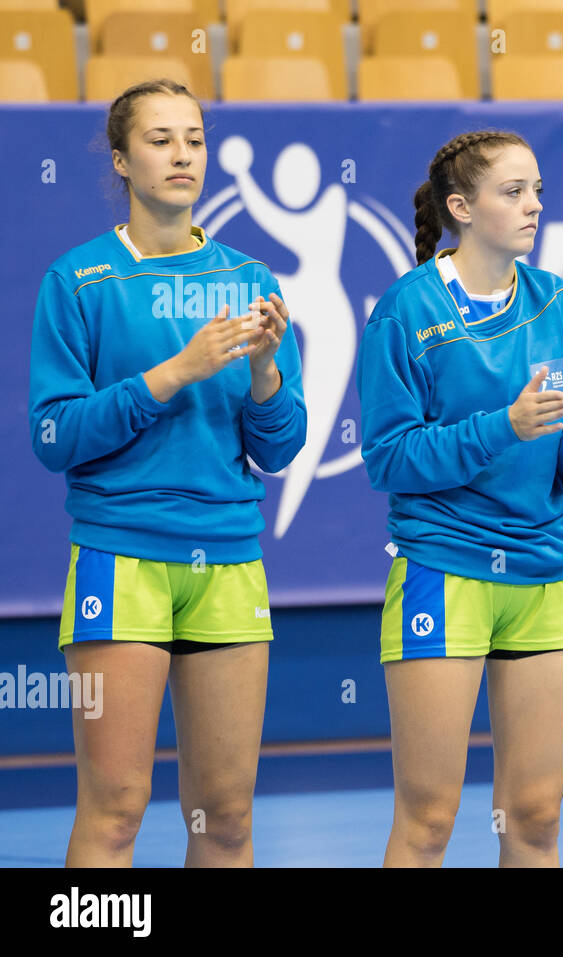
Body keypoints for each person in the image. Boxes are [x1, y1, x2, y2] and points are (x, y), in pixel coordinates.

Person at [357, 130, 563, 868]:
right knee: (428, 818)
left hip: (542, 568)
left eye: (538, 191)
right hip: (444, 568)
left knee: (536, 814)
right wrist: (504, 425)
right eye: (513, 192)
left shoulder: (559, 303)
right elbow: (388, 458)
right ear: (461, 206)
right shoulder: (404, 311)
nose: (534, 207)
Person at [28, 79, 307, 866]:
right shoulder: (77, 280)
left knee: (227, 817)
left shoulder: (251, 279)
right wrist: (171, 373)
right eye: (159, 139)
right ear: (121, 158)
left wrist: (263, 378)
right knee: (115, 812)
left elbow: (280, 449)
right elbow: (54, 435)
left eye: (193, 137)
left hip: (228, 559)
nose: (182, 153)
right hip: (122, 560)